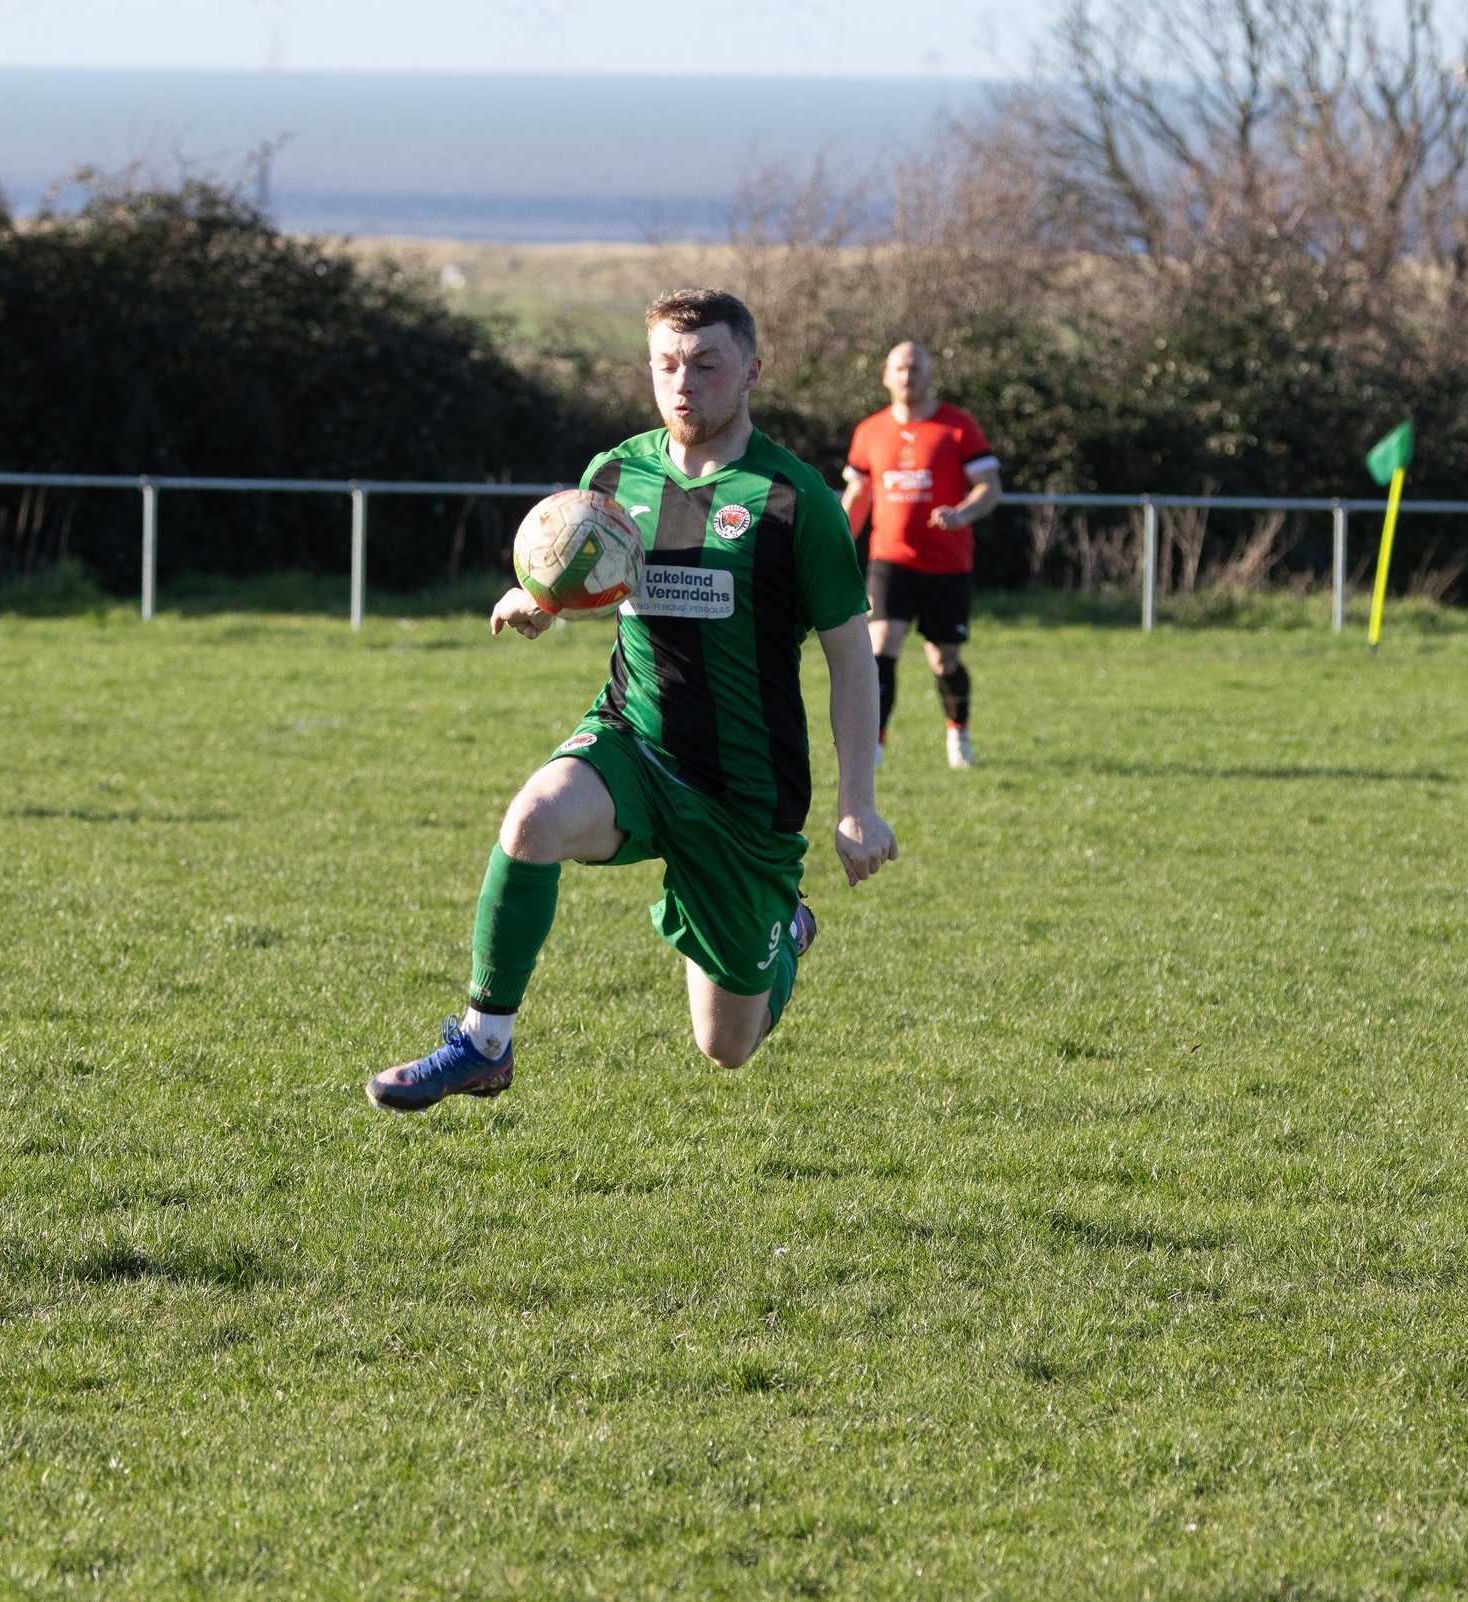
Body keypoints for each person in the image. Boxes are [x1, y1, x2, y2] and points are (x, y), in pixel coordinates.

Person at [367, 289, 898, 1111]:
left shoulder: (797, 503)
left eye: (707, 364)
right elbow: (584, 572)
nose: (682, 383)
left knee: (726, 1047)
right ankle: (484, 1043)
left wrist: (857, 804)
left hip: (742, 790)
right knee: (532, 820)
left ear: (752, 370)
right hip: (634, 737)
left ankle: (785, 928)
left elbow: (850, 658)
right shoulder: (614, 475)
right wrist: (536, 601)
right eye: (666, 364)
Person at [842, 341, 1003, 768]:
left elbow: (990, 487)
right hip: (890, 559)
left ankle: (958, 732)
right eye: (899, 368)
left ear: (930, 375)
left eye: (916, 368)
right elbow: (858, 494)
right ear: (885, 376)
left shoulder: (958, 426)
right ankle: (873, 745)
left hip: (947, 565)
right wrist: (837, 544)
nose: (907, 375)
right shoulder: (870, 430)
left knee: (943, 657)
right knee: (881, 645)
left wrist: (963, 513)